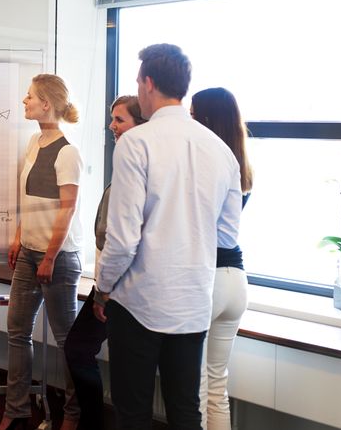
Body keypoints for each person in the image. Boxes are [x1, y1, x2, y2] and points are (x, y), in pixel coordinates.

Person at [96, 44, 242, 430]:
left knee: (133, 413)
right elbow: (226, 237)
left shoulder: (136, 143)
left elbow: (123, 237)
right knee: (185, 411)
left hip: (139, 302)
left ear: (147, 83)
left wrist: (103, 287)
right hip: (193, 300)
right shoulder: (222, 150)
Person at [0, 74, 83, 430]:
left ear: (46, 104)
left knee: (68, 341)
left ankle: (73, 415)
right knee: (17, 329)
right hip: (30, 251)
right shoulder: (35, 141)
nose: (24, 100)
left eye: (30, 96)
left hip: (59, 258)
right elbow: (30, 200)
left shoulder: (68, 152)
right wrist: (19, 235)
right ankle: (15, 411)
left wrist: (49, 256)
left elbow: (67, 209)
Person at [63, 95, 147, 430]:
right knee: (78, 349)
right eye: (112, 119)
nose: (112, 126)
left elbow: (119, 239)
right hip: (111, 284)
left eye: (120, 120)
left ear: (141, 124)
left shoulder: (136, 172)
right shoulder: (129, 167)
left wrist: (103, 293)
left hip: (120, 290)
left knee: (81, 349)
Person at [191, 87, 253, 430]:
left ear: (206, 119)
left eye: (193, 114)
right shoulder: (242, 167)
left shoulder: (209, 166)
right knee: (218, 384)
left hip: (209, 278)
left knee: (196, 385)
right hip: (236, 281)